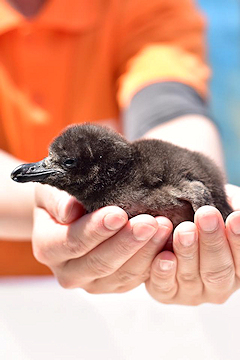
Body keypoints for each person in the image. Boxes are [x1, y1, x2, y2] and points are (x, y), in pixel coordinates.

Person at [1, 0, 240, 305]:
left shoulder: (142, 5)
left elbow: (166, 104)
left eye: (67, 163)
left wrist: (212, 222)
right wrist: (42, 205)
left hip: (137, 300)